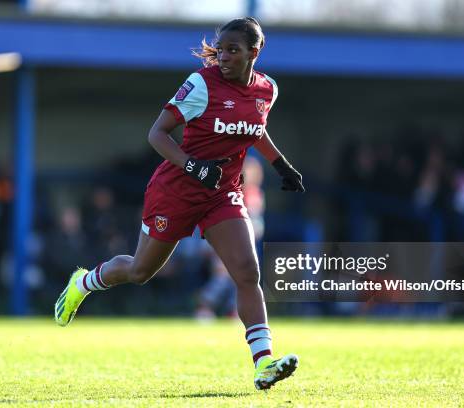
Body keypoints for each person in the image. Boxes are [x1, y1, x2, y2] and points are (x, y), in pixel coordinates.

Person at [54, 17, 305, 390]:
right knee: (140, 271)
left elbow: (254, 128)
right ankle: (84, 282)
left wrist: (281, 166)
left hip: (222, 192)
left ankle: (263, 362)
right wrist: (193, 166)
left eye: (233, 51)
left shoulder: (267, 89)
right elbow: (156, 133)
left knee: (247, 271)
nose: (223, 57)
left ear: (255, 52)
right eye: (220, 50)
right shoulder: (202, 83)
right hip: (176, 190)